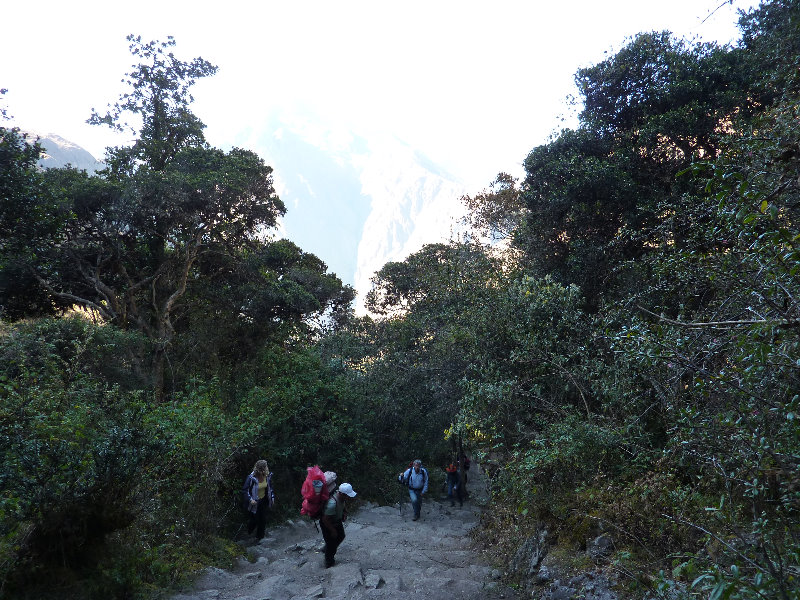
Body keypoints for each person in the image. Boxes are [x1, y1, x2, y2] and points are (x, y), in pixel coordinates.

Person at [319, 482, 357, 568]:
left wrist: (344, 512)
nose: (349, 497)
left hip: (336, 520)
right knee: (331, 543)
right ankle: (329, 562)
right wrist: (332, 530)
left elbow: (342, 506)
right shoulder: (332, 504)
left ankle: (327, 548)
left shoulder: (342, 498)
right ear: (341, 493)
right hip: (327, 524)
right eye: (347, 495)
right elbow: (325, 519)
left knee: (341, 536)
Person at [244, 459, 274, 540]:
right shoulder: (251, 478)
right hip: (254, 502)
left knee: (263, 520)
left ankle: (260, 537)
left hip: (263, 500)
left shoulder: (267, 476)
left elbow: (270, 488)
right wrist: (250, 500)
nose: (267, 468)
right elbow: (245, 490)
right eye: (266, 466)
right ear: (262, 468)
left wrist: (272, 498)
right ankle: (248, 533)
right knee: (254, 520)